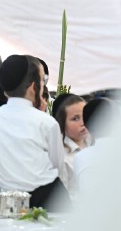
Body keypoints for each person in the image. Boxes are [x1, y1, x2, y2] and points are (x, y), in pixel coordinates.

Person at [0, 55, 69, 210]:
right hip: (48, 198)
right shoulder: (46, 122)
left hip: (8, 200)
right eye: (43, 79)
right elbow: (57, 166)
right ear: (33, 87)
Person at [53, 93, 91, 196]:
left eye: (85, 115)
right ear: (61, 123)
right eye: (75, 119)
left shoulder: (94, 141)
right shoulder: (62, 156)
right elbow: (63, 193)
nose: (83, 122)